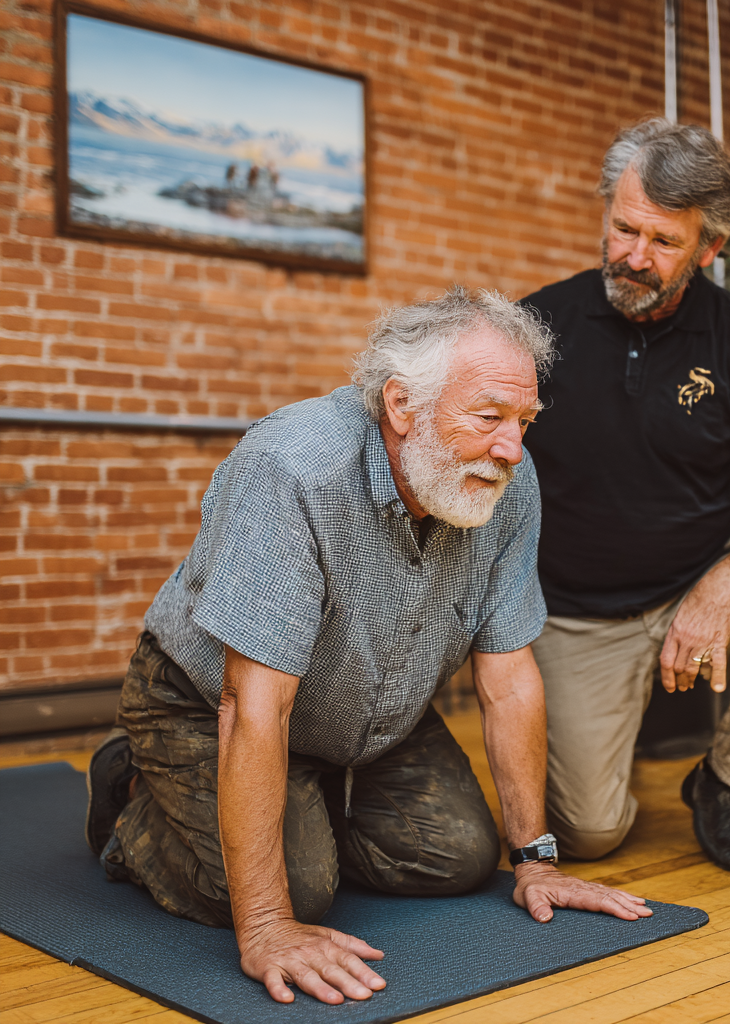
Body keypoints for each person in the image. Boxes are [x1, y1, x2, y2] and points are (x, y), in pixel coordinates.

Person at [84, 288, 651, 1008]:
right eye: (488, 418)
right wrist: (267, 924)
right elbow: (252, 706)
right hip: (204, 703)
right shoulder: (292, 468)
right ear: (402, 405)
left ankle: (305, 804)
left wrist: (536, 861)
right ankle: (131, 791)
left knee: (459, 855)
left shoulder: (509, 482)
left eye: (524, 421)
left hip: (368, 711)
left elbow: (509, 679)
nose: (511, 448)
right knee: (299, 890)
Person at [522, 119, 730, 874]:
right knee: (589, 835)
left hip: (701, 571)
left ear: (711, 248)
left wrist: (723, 587)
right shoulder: (538, 326)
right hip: (577, 610)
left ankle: (729, 784)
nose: (635, 258)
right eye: (624, 229)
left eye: (664, 242)